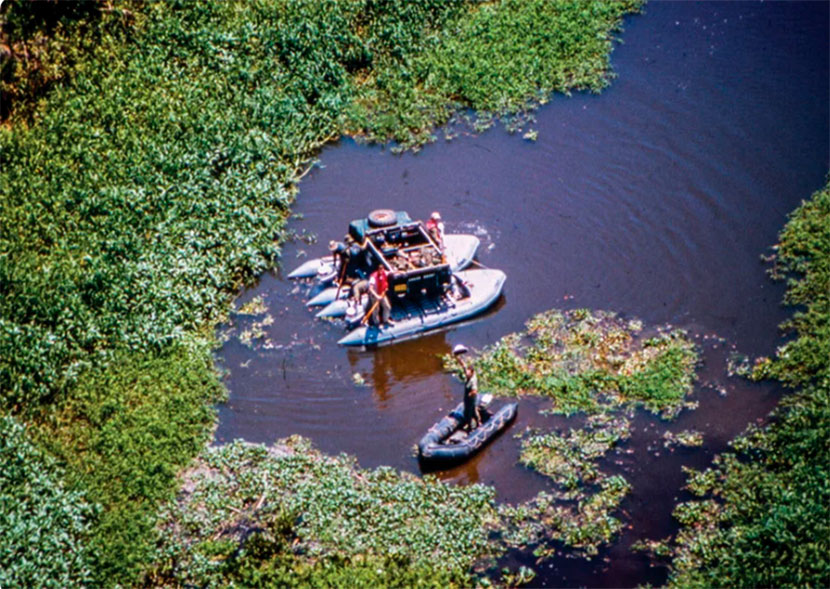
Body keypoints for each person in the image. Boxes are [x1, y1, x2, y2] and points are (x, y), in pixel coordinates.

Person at [453, 344, 481, 431]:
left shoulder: (473, 380)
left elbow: (475, 391)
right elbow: (463, 365)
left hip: (471, 398)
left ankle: (470, 426)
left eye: (468, 374)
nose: (466, 374)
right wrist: (457, 358)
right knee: (473, 409)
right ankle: (478, 422)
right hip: (468, 396)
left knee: (468, 411)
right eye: (467, 373)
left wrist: (470, 394)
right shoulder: (468, 373)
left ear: (472, 373)